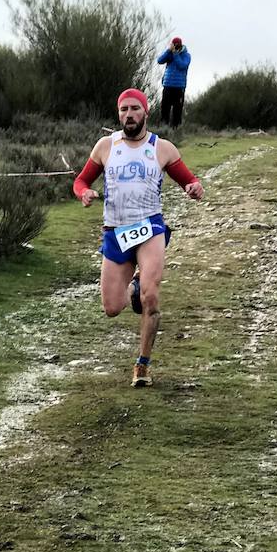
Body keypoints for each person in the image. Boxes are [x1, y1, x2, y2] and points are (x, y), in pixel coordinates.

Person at [72, 88, 204, 387]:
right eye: (123, 110)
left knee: (151, 297)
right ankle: (134, 286)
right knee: (111, 308)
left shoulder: (162, 148)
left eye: (134, 109)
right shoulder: (106, 146)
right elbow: (80, 180)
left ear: (145, 112)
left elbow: (189, 180)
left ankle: (142, 365)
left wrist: (194, 188)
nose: (128, 115)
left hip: (149, 228)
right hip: (115, 231)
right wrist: (84, 193)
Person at [156, 36, 192, 128]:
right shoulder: (169, 54)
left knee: (177, 110)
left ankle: (176, 129)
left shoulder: (186, 55)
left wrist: (175, 54)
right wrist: (168, 51)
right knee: (165, 108)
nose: (175, 47)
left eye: (176, 46)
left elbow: (182, 66)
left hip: (179, 86)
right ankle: (164, 128)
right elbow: (160, 61)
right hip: (167, 85)